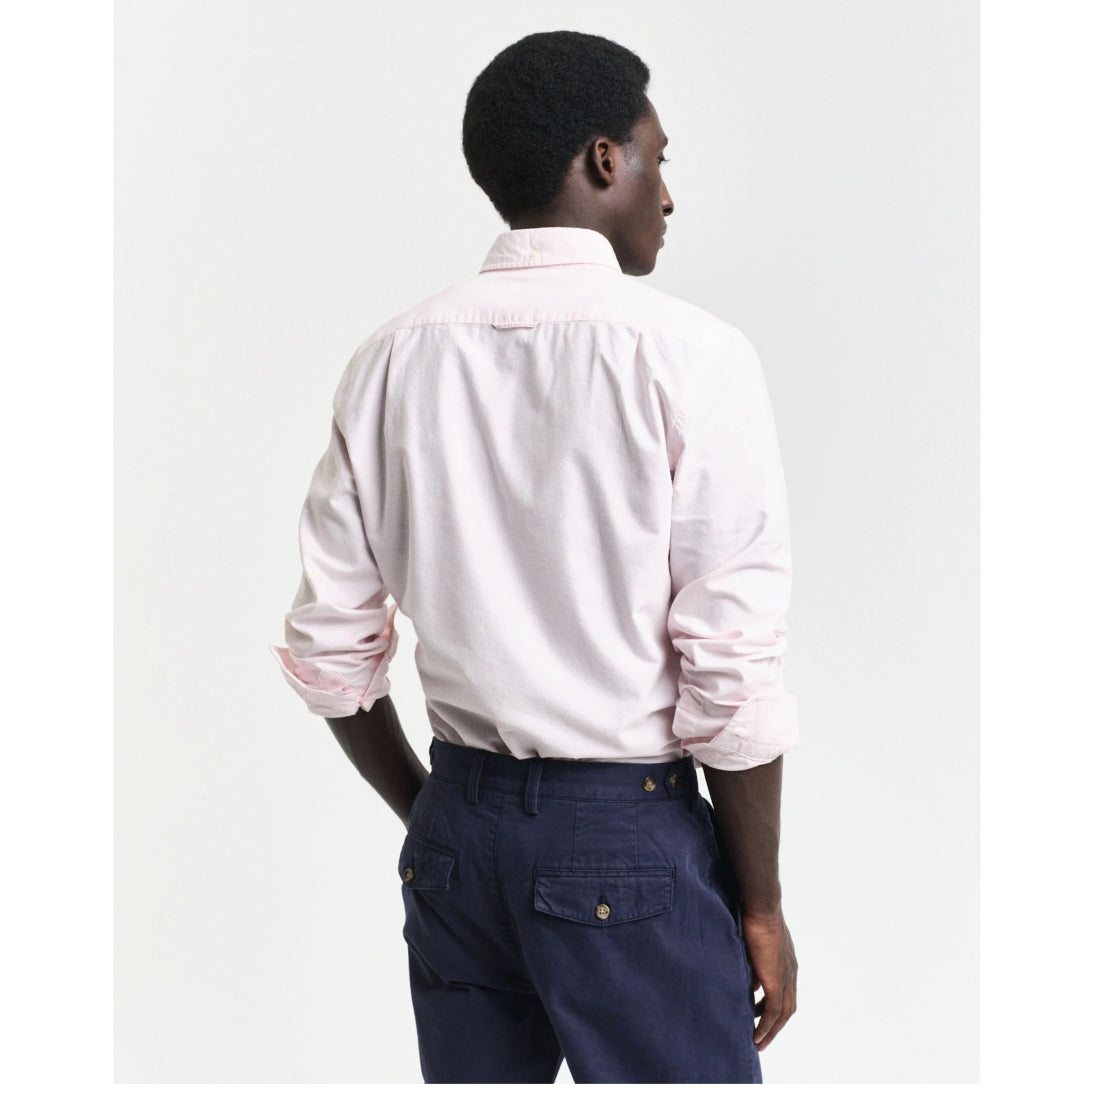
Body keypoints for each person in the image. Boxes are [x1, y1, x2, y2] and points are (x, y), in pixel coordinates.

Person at [272, 29, 798, 1084]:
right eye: (656, 157)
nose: (666, 193)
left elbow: (329, 652)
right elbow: (730, 666)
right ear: (604, 159)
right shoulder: (692, 357)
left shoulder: (389, 361)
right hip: (625, 838)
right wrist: (761, 904)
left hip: (457, 837)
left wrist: (437, 814)